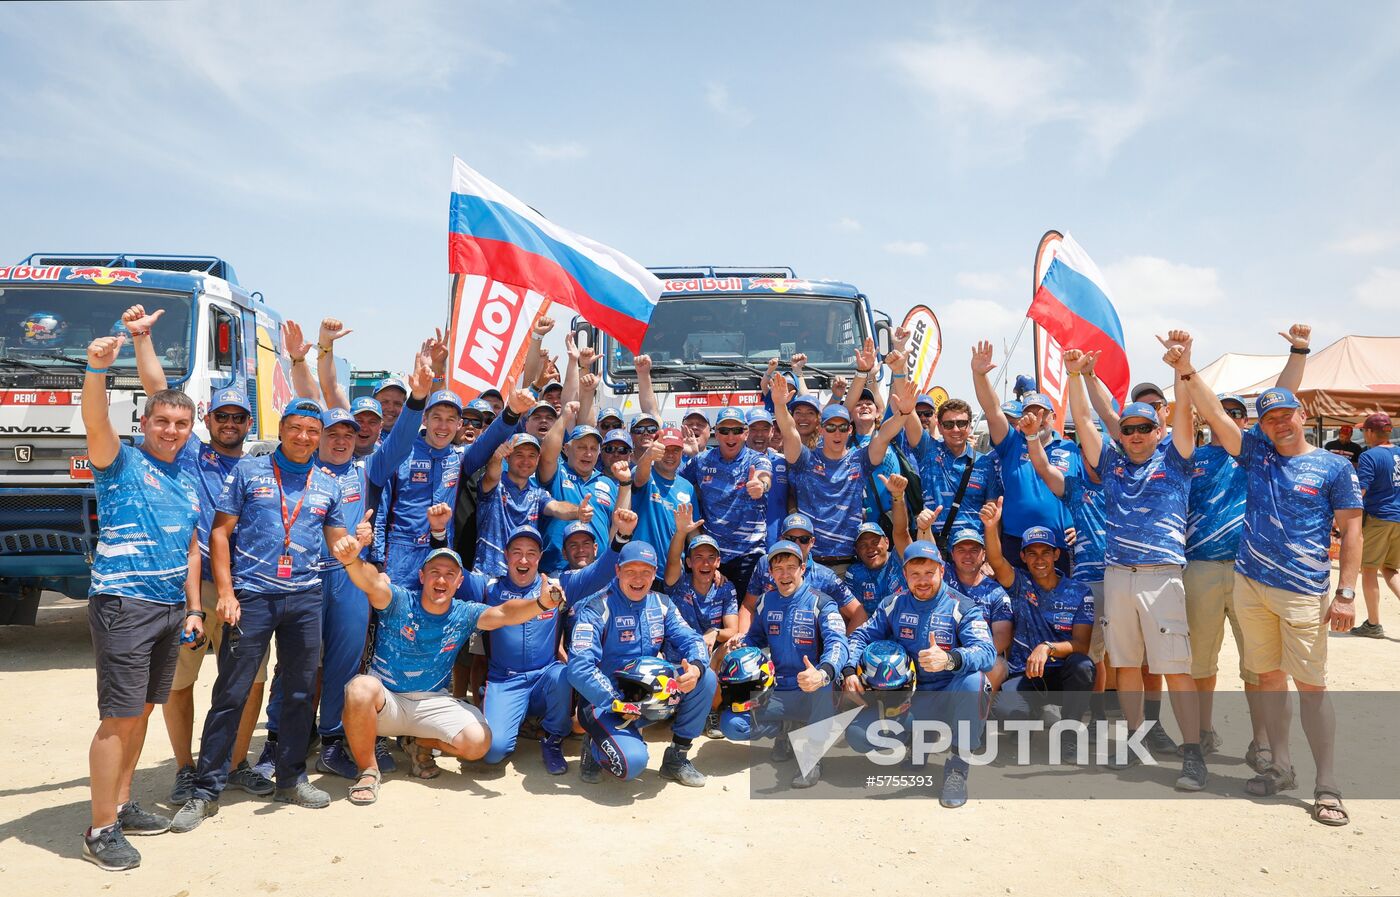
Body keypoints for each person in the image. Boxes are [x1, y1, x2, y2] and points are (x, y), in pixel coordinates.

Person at [1171, 334, 1362, 825]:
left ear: (1302, 414)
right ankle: (1280, 765)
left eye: (1286, 413)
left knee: (1312, 686)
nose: (1278, 421)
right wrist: (1189, 370)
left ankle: (1328, 784)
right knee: (1270, 680)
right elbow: (1213, 413)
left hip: (1302, 591)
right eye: (1269, 416)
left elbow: (1353, 530)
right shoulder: (1256, 454)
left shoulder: (1334, 465)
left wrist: (1345, 594)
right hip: (1250, 584)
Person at [171, 398, 351, 832]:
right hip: (251, 597)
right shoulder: (248, 472)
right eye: (296, 428)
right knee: (231, 692)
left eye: (313, 430)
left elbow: (339, 539)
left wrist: (354, 543)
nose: (304, 437)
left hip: (305, 598)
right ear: (282, 428)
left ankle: (290, 778)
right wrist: (227, 593)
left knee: (299, 693)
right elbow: (219, 532)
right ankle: (206, 791)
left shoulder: (328, 483)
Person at [121, 304, 274, 803]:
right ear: (206, 419)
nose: (229, 422)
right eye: (221, 415)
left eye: (238, 416)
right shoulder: (191, 451)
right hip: (194, 588)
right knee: (179, 681)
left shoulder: (261, 467)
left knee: (251, 682)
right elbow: (156, 391)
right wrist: (143, 338)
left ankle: (234, 763)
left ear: (249, 422)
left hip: (244, 590)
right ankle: (186, 767)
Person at [80, 332, 203, 870]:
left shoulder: (188, 476)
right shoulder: (120, 462)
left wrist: (193, 607)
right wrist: (97, 369)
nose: (171, 431)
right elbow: (94, 422)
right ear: (144, 425)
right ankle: (100, 828)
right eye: (161, 422)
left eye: (180, 424)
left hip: (170, 608)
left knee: (145, 710)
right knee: (119, 718)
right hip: (124, 603)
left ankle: (123, 804)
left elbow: (191, 543)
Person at [1065, 340, 1207, 791]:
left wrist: (1183, 370)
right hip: (1118, 575)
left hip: (1162, 576)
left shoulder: (1177, 460)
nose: (1136, 435)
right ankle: (1133, 739)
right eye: (1128, 429)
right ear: (1121, 434)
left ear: (1157, 429)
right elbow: (1085, 421)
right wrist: (1073, 375)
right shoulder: (1110, 463)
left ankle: (1191, 753)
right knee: (1126, 666)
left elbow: (1183, 416)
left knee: (1175, 669)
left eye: (1145, 427)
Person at [330, 537, 568, 804]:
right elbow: (371, 582)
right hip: (387, 702)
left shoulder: (464, 613)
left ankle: (419, 743)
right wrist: (352, 561)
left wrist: (540, 604)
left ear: (459, 583)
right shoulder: (398, 600)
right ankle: (368, 771)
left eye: (449, 575)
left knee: (480, 742)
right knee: (359, 689)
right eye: (434, 573)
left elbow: (504, 613)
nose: (441, 581)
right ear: (422, 576)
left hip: (432, 703)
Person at [844, 541, 995, 807]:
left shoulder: (962, 606)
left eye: (929, 573)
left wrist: (950, 659)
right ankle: (920, 740)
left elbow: (986, 651)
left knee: (976, 682)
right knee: (858, 734)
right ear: (905, 575)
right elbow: (860, 636)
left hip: (950, 696)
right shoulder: (893, 604)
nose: (922, 581)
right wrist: (849, 671)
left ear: (942, 570)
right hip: (908, 699)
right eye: (915, 574)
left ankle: (958, 767)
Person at [480, 518, 628, 773]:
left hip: (544, 677)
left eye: (531, 554)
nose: (523, 560)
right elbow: (451, 581)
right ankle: (497, 706)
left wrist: (621, 536)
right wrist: (439, 533)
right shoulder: (489, 587)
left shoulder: (557, 588)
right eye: (517, 553)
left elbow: (601, 571)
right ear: (505, 556)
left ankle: (552, 740)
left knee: (563, 674)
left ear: (540, 558)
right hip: (505, 680)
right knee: (494, 753)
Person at [568, 541, 719, 787]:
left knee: (706, 678)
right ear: (617, 571)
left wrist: (696, 668)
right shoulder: (596, 608)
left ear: (654, 572)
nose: (638, 579)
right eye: (631, 572)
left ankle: (676, 759)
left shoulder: (662, 603)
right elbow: (579, 668)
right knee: (631, 765)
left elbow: (692, 639)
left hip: (648, 696)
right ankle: (594, 746)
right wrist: (615, 701)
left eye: (646, 572)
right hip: (605, 702)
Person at [720, 540, 849, 788]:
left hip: (813, 690)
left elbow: (838, 644)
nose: (785, 574)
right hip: (777, 692)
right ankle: (786, 730)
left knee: (824, 686)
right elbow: (755, 638)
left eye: (791, 566)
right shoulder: (767, 602)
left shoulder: (822, 603)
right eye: (778, 568)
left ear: (802, 568)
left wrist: (823, 672)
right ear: (770, 573)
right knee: (733, 723)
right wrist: (742, 647)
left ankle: (812, 758)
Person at [378, 388, 522, 585]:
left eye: (451, 419)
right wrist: (377, 563)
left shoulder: (460, 458)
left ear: (459, 424)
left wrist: (512, 411)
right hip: (399, 557)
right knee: (397, 615)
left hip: (442, 551)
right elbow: (380, 512)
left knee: (437, 614)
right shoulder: (402, 454)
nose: (443, 426)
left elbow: (488, 441)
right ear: (424, 420)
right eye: (437, 418)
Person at [979, 507, 1095, 742]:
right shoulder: (1020, 582)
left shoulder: (1080, 591)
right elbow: (996, 560)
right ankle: (1032, 714)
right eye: (1031, 553)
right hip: (1025, 675)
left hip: (1062, 675)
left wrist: (1047, 647)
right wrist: (991, 527)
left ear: (1056, 554)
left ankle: (1069, 735)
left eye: (1045, 552)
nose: (1039, 559)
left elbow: (1082, 645)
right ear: (1022, 557)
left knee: (1083, 666)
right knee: (1007, 713)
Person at [770, 374, 906, 572]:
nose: (837, 433)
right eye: (831, 427)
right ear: (821, 429)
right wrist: (780, 405)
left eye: (842, 427)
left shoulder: (859, 459)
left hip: (850, 562)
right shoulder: (805, 459)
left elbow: (884, 435)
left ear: (850, 430)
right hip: (810, 563)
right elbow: (790, 431)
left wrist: (905, 413)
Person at [970, 342, 1077, 571]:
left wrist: (1082, 526)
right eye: (1029, 412)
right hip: (1016, 542)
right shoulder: (1011, 443)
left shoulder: (1071, 450)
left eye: (1042, 413)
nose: (1036, 417)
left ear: (1054, 416)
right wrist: (979, 375)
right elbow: (992, 409)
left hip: (1058, 543)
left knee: (1058, 605)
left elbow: (1089, 494)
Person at [681, 407, 772, 596]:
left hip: (749, 556)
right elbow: (675, 484)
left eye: (737, 430)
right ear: (716, 433)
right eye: (724, 431)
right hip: (713, 557)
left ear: (746, 433)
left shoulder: (757, 459)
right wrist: (685, 455)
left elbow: (765, 476)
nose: (731, 436)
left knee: (747, 615)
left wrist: (761, 486)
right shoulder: (701, 461)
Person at [477, 433, 590, 577]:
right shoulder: (495, 485)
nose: (526, 461)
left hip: (522, 578)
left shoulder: (538, 493)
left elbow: (556, 507)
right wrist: (496, 457)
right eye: (519, 454)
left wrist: (577, 511)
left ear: (537, 460)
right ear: (507, 457)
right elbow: (491, 475)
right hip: (488, 576)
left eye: (531, 455)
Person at [743, 512, 868, 633]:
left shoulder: (825, 576)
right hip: (767, 641)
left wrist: (846, 649)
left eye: (804, 539)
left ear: (812, 542)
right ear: (781, 539)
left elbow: (859, 613)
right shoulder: (765, 563)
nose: (797, 544)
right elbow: (748, 606)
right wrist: (744, 641)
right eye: (791, 539)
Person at [538, 408, 619, 574]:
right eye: (581, 447)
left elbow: (614, 527)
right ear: (566, 449)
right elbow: (546, 455)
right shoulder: (557, 473)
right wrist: (565, 417)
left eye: (593, 448)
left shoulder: (608, 483)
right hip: (555, 571)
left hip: (596, 573)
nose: (588, 453)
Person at [903, 397, 990, 540]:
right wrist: (900, 377)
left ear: (969, 426)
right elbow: (911, 419)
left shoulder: (985, 462)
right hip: (934, 544)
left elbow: (992, 515)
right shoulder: (928, 450)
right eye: (949, 424)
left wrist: (989, 556)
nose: (956, 429)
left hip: (972, 547)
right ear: (940, 426)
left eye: (962, 423)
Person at [943, 528, 1013, 695]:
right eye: (961, 550)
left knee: (998, 665)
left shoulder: (996, 592)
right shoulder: (941, 578)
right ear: (952, 554)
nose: (968, 556)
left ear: (983, 555)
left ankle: (979, 717)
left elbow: (1002, 637)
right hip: (942, 652)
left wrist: (970, 658)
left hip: (979, 655)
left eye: (974, 550)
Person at [1355, 412, 1400, 637]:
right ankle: (1372, 624)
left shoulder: (1369, 456)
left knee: (1369, 569)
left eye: (1364, 430)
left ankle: (1373, 624)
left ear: (1372, 432)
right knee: (1390, 569)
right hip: (1398, 518)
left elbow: (1360, 490)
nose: (1363, 434)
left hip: (1379, 518)